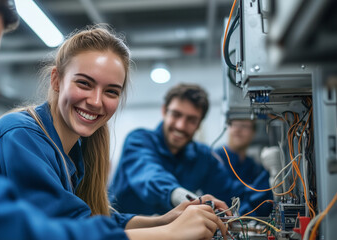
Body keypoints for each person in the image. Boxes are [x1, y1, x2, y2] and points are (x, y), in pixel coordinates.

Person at [0, 1, 223, 239]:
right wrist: (167, 234)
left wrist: (169, 218)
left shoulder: (76, 150)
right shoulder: (20, 135)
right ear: (56, 80)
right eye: (84, 83)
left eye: (111, 91)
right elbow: (43, 232)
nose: (96, 101)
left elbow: (87, 220)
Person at [109, 83, 272, 217]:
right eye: (176, 114)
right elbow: (150, 176)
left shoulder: (202, 157)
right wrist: (181, 196)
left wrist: (273, 181)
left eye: (191, 120)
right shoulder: (139, 140)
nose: (180, 126)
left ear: (199, 124)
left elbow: (234, 195)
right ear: (164, 111)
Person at [214, 119, 272, 215]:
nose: (237, 130)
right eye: (233, 124)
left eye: (244, 126)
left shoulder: (254, 167)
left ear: (253, 133)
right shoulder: (215, 159)